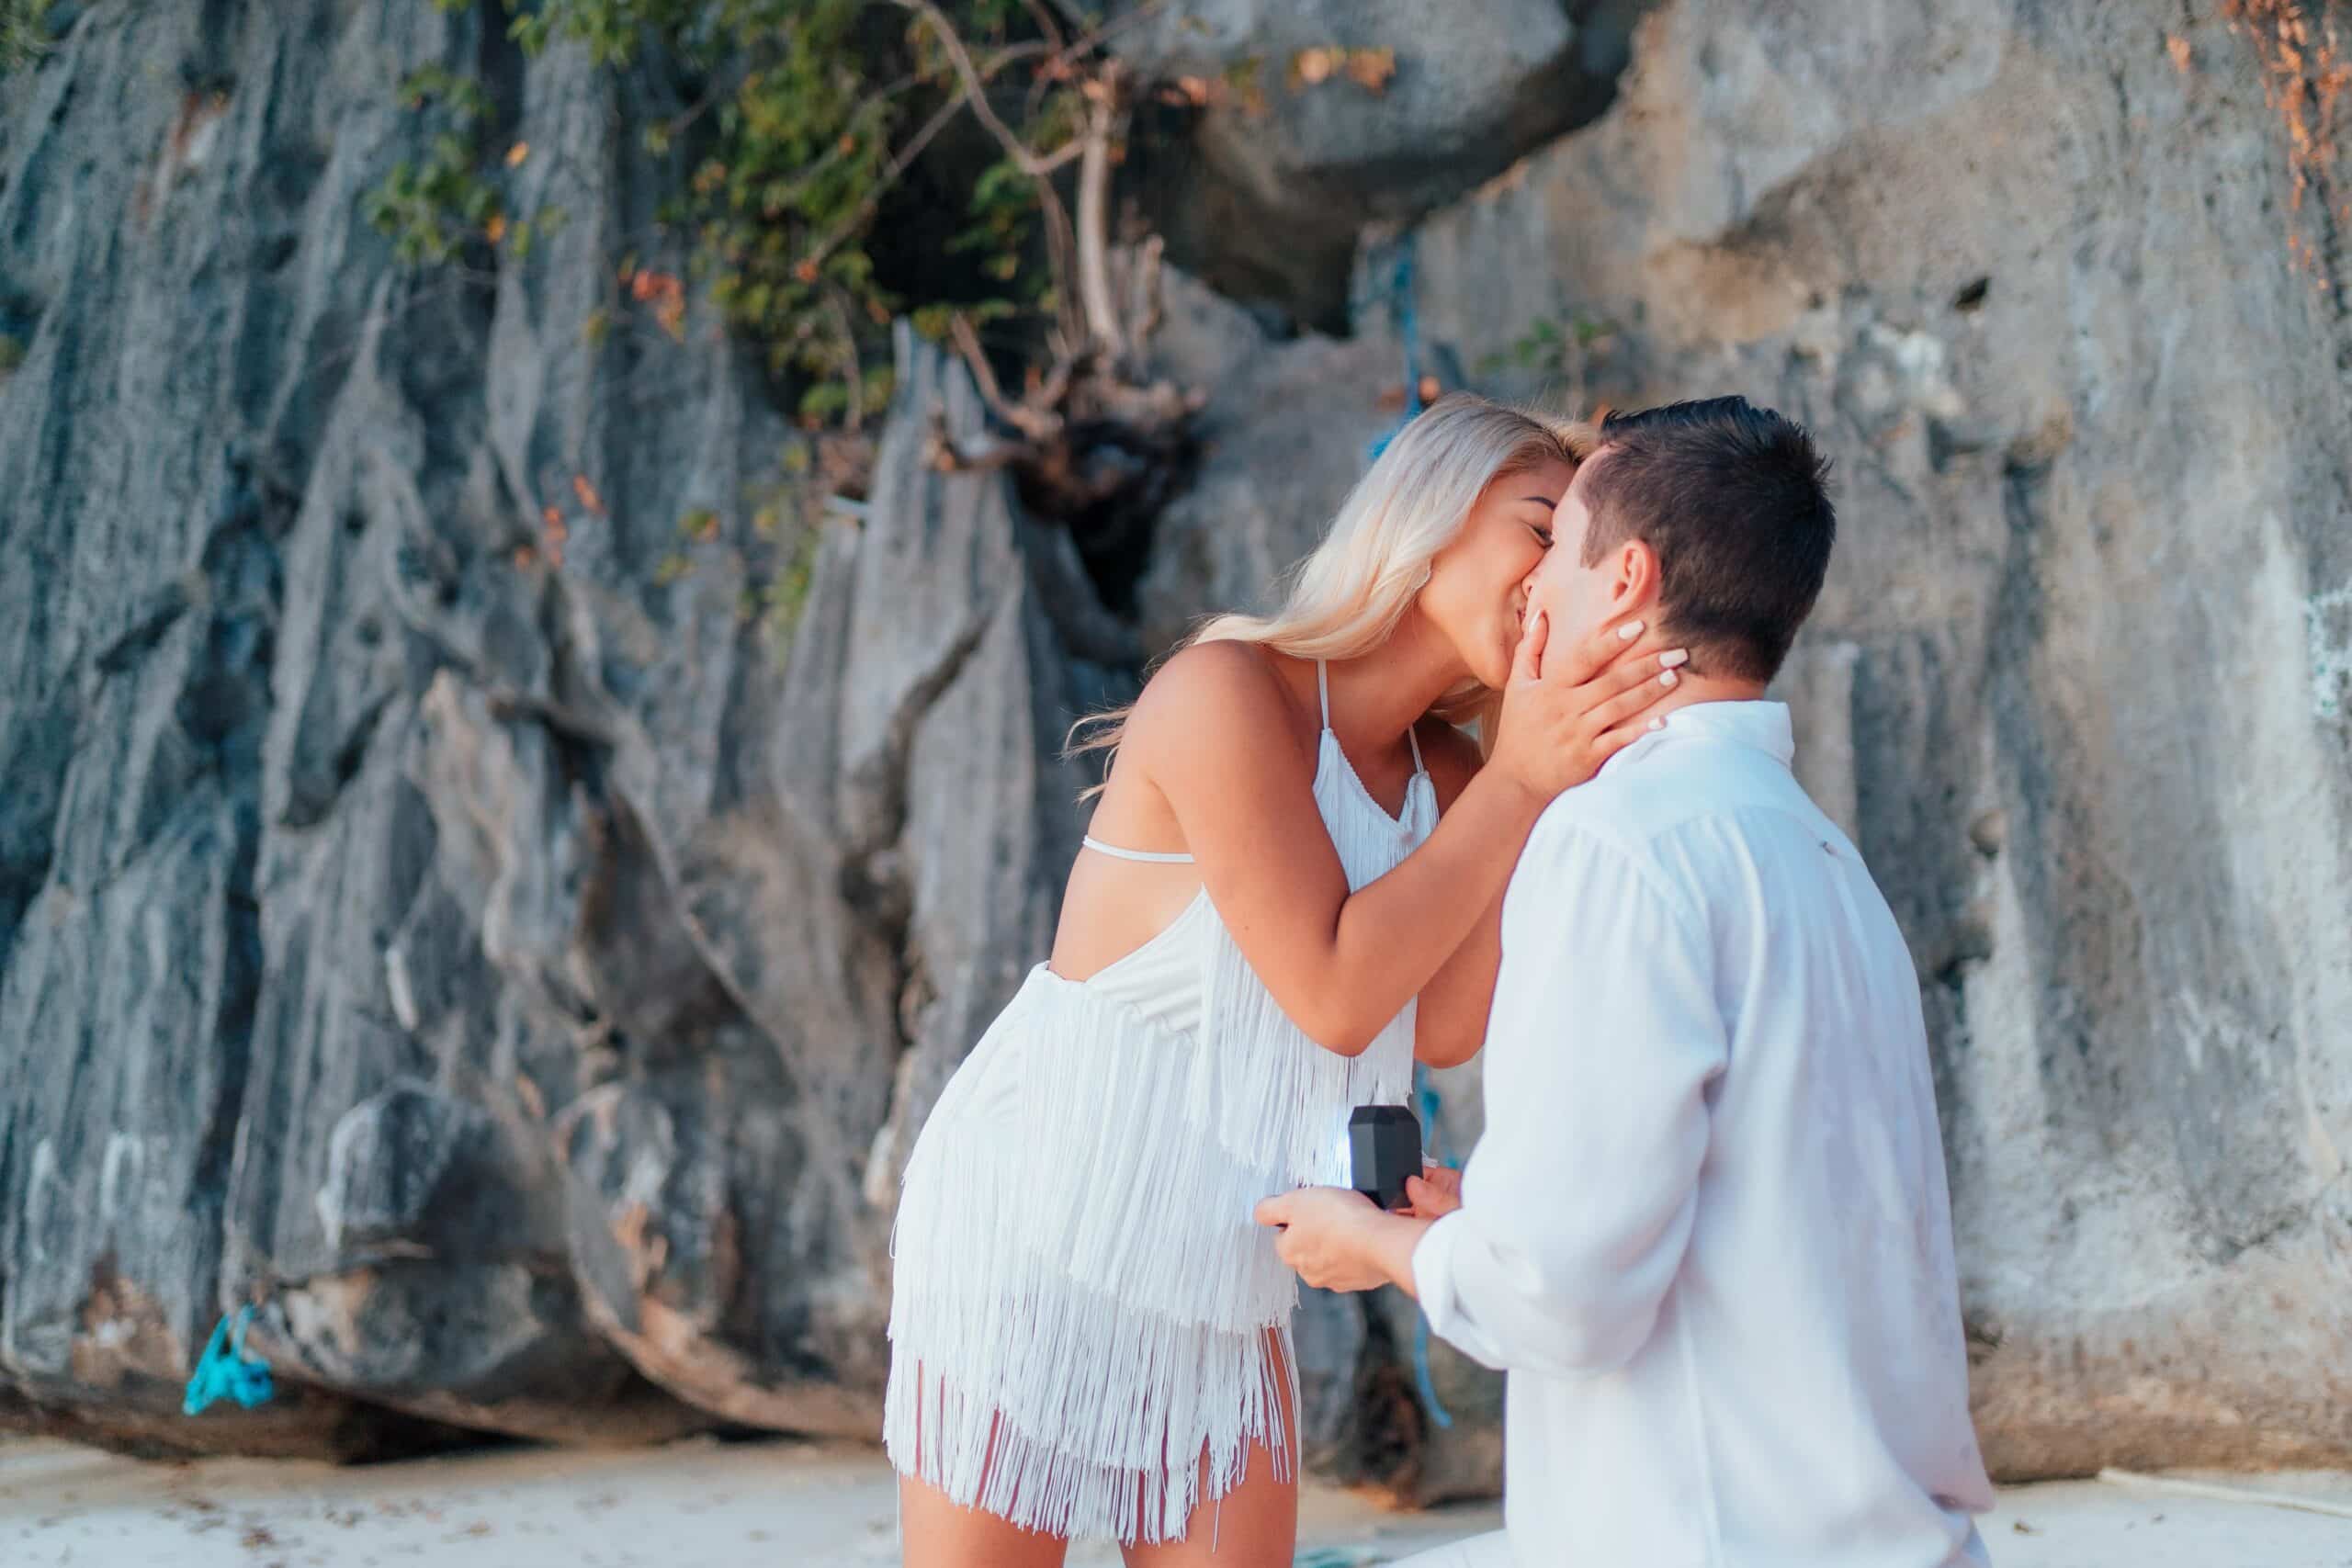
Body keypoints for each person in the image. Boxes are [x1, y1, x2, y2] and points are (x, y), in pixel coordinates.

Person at [885, 395, 1691, 1567]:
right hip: (1033, 1219)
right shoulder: (1228, 691)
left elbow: (1446, 1025)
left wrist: (1543, 774)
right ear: (1429, 513)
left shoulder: (1456, 770)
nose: (1549, 575)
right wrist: (1524, 782)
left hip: (1213, 1264)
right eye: (1537, 527)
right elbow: (1334, 993)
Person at [1257, 398, 1997, 1567]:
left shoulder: (1616, 844)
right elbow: (1746, 1196)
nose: (1534, 584)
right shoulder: (1819, 856)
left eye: (1558, 545)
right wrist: (1496, 1212)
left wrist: (1380, 1246)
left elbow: (1561, 1297)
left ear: (1626, 579)